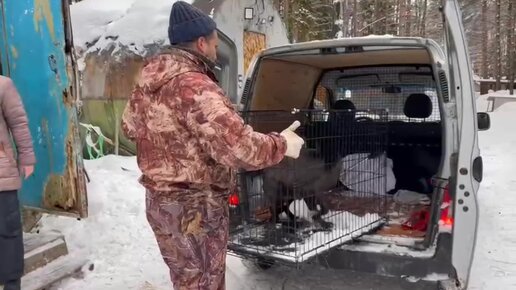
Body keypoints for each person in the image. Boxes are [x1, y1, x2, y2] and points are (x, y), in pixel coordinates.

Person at [121, 1, 304, 289]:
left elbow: (129, 128)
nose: (216, 52)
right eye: (215, 45)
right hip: (196, 208)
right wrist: (282, 144)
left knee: (186, 279)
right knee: (205, 282)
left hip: (161, 204)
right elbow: (240, 148)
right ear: (201, 42)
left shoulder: (146, 83)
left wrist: (174, 146)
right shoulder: (195, 87)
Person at [0, 76, 36, 290]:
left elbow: (19, 123)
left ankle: (12, 284)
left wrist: (27, 158)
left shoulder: (3, 85)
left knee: (8, 231)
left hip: (2, 175)